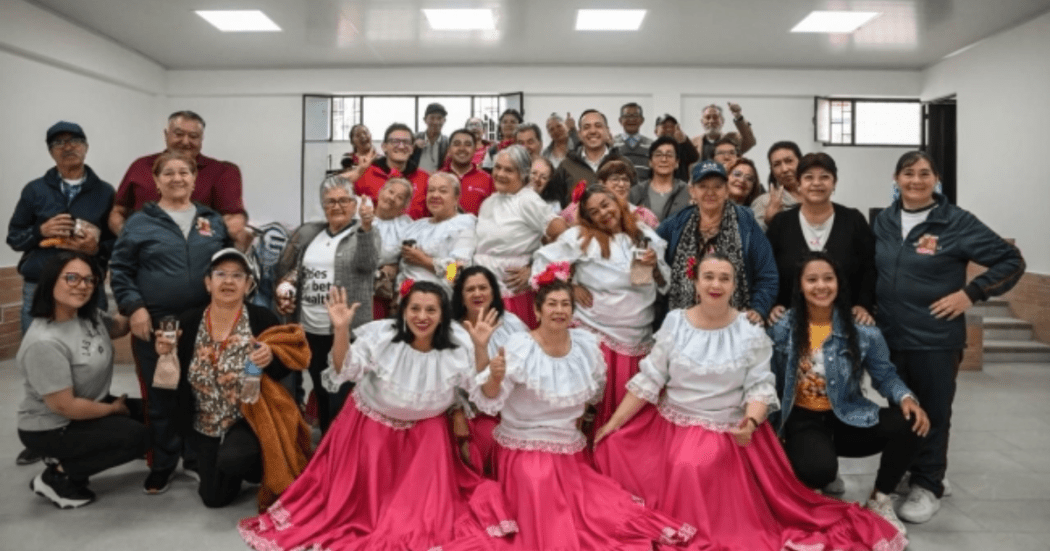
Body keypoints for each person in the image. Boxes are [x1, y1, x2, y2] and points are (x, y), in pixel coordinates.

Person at [594, 253, 907, 551]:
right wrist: (613, 422)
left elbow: (759, 386)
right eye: (709, 277)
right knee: (613, 446)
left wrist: (752, 421)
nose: (716, 285)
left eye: (724, 278)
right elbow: (649, 380)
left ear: (734, 284)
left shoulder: (749, 331)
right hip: (671, 424)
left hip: (728, 428)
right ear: (696, 282)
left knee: (693, 464)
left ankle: (697, 525)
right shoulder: (675, 322)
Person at [238, 282, 516, 551]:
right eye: (415, 309)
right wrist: (341, 330)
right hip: (370, 431)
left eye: (431, 310)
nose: (422, 317)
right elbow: (343, 369)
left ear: (442, 314)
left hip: (426, 441)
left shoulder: (459, 345)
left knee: (425, 519)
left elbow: (486, 395)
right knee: (357, 513)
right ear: (403, 310)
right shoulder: (381, 337)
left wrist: (482, 348)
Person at [470, 277, 695, 549]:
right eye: (551, 304)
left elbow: (590, 397)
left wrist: (576, 430)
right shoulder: (519, 347)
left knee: (596, 513)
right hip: (523, 448)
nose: (559, 310)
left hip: (569, 451)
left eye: (565, 304)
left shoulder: (586, 346)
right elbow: (489, 399)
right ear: (538, 311)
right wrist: (493, 376)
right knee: (539, 486)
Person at [873, 151, 1025, 524]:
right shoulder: (884, 220)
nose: (916, 180)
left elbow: (1011, 260)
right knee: (902, 411)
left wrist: (970, 294)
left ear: (935, 180)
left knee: (935, 412)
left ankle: (929, 485)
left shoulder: (955, 221)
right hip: (891, 338)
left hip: (936, 338)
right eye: (908, 173)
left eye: (925, 174)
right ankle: (909, 470)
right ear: (896, 178)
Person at [768, 252, 929, 534]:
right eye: (812, 279)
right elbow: (766, 378)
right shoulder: (782, 328)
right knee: (818, 470)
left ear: (839, 283)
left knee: (912, 422)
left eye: (828, 278)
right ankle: (819, 468)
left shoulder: (863, 331)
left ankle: (880, 499)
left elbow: (886, 375)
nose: (821, 286)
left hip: (849, 416)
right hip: (803, 421)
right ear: (800, 286)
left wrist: (905, 398)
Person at [109, 150, 232, 494]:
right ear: (156, 180)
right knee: (161, 395)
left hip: (204, 325)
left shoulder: (212, 220)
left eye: (185, 172)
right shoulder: (139, 222)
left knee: (198, 391)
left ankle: (194, 457)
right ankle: (162, 463)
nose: (178, 178)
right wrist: (134, 308)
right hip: (155, 324)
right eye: (169, 173)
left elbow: (227, 268)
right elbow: (120, 270)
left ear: (195, 179)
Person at [157, 248, 310, 509]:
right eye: (221, 274)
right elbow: (173, 381)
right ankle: (234, 464)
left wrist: (271, 357)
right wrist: (164, 355)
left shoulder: (262, 319)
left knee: (235, 458)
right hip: (205, 425)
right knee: (213, 499)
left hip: (250, 418)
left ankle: (257, 463)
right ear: (208, 283)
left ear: (248, 284)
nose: (228, 281)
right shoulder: (189, 321)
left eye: (237, 275)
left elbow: (287, 367)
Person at [7, 121, 117, 467]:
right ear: (50, 150)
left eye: (74, 141)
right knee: (41, 360)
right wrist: (40, 232)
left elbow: (116, 243)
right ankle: (43, 433)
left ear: (86, 146)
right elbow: (14, 238)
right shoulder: (35, 190)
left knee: (92, 352)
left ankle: (91, 416)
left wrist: (99, 243)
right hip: (39, 286)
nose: (67, 147)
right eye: (58, 142)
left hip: (86, 287)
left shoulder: (105, 192)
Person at [535, 184, 669, 435]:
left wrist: (655, 268)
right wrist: (570, 288)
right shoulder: (581, 237)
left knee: (625, 417)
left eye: (606, 205)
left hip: (636, 336)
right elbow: (542, 265)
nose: (603, 214)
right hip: (597, 337)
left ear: (617, 202)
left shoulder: (643, 233)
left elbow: (664, 285)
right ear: (587, 217)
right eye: (595, 212)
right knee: (588, 411)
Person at [18, 251, 146, 509]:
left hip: (88, 405)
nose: (82, 286)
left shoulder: (87, 314)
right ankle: (58, 476)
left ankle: (92, 445)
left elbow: (119, 327)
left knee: (156, 414)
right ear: (51, 280)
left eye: (89, 280)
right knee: (138, 437)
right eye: (72, 278)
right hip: (53, 424)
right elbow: (65, 406)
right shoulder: (44, 342)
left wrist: (140, 303)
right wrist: (113, 410)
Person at [275, 177, 378, 434]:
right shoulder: (312, 235)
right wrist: (286, 287)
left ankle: (341, 457)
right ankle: (325, 451)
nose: (337, 206)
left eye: (344, 200)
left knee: (343, 400)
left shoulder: (364, 234)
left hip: (347, 332)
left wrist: (366, 226)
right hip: (312, 329)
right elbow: (296, 272)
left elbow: (368, 263)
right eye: (330, 201)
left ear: (354, 204)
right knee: (320, 393)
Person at [657, 160, 778, 325]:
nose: (710, 192)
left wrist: (758, 309)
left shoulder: (746, 224)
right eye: (703, 186)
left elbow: (767, 274)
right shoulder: (675, 224)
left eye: (717, 186)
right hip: (685, 324)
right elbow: (650, 267)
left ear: (727, 190)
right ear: (692, 191)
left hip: (735, 321)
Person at [766, 153, 876, 327]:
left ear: (834, 183)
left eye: (824, 177)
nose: (816, 183)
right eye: (809, 177)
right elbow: (767, 270)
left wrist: (863, 305)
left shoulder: (853, 220)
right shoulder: (781, 223)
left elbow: (869, 269)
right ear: (799, 183)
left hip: (846, 321)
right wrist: (773, 304)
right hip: (789, 323)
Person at [109, 110, 246, 243]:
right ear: (166, 135)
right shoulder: (140, 166)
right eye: (179, 134)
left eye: (193, 136)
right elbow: (118, 211)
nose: (186, 142)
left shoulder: (223, 171)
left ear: (201, 139)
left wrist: (206, 240)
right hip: (141, 249)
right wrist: (128, 237)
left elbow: (234, 219)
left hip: (196, 251)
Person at [474, 145, 569, 329]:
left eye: (508, 170)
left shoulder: (528, 200)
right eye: (497, 167)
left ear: (524, 174)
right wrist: (452, 275)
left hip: (513, 298)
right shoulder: (488, 202)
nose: (500, 173)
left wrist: (536, 268)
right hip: (485, 293)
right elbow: (467, 255)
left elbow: (564, 234)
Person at [451, 265, 530, 476]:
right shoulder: (451, 332)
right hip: (470, 414)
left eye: (483, 288)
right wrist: (457, 413)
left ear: (493, 292)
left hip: (511, 411)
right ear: (460, 295)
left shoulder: (512, 324)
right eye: (470, 289)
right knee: (488, 442)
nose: (477, 293)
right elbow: (445, 383)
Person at [398, 172, 477, 295]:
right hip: (407, 299)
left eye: (443, 191)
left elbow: (458, 271)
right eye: (431, 190)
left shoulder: (464, 225)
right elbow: (403, 266)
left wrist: (425, 261)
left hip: (441, 301)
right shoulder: (414, 227)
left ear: (456, 197)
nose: (435, 195)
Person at [344, 122, 430, 220]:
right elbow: (331, 189)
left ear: (412, 148)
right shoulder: (365, 175)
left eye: (406, 142)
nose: (401, 146)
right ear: (384, 146)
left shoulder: (425, 179)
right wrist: (358, 172)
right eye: (395, 141)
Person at [548, 110, 628, 204]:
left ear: (607, 131)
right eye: (586, 127)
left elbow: (635, 203)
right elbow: (553, 202)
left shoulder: (624, 164)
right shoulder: (565, 166)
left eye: (598, 126)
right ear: (580, 134)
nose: (593, 131)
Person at [560, 160, 659, 228]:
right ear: (601, 183)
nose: (621, 184)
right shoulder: (578, 208)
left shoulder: (644, 214)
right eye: (615, 179)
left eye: (625, 180)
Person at [370, 177, 414, 320]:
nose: (392, 198)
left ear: (404, 206)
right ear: (380, 192)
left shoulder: (407, 226)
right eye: (390, 192)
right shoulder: (360, 214)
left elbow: (409, 263)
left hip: (382, 293)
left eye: (400, 197)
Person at [629, 136, 692, 223]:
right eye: (658, 155)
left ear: (677, 163)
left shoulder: (688, 192)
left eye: (669, 155)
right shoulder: (635, 192)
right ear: (650, 162)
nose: (664, 159)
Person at [751, 141, 803, 231]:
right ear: (772, 171)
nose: (784, 169)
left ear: (801, 162)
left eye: (789, 161)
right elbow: (752, 241)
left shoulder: (814, 197)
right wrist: (769, 221)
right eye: (777, 164)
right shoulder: (765, 202)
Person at [442, 128, 494, 215]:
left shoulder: (487, 179)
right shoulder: (437, 178)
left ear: (474, 150)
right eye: (457, 144)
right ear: (449, 150)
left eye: (468, 144)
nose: (462, 148)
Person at [691, 102, 757, 160]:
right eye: (707, 117)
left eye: (715, 117)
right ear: (702, 122)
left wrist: (738, 116)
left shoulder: (733, 139)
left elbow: (750, 141)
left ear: (722, 121)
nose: (711, 121)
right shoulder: (692, 143)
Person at [613, 102, 654, 180]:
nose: (631, 119)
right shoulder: (612, 144)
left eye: (635, 115)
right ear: (620, 120)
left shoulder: (652, 145)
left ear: (642, 120)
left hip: (644, 191)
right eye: (627, 116)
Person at [654, 114, 700, 182]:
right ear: (656, 131)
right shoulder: (650, 148)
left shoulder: (681, 146)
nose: (669, 129)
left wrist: (684, 140)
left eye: (672, 127)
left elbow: (694, 157)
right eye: (665, 126)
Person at [411, 102, 449, 173]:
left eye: (439, 118)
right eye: (432, 118)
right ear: (425, 119)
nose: (435, 122)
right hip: (415, 179)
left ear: (444, 121)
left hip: (437, 180)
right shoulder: (414, 137)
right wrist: (414, 145)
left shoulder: (447, 142)